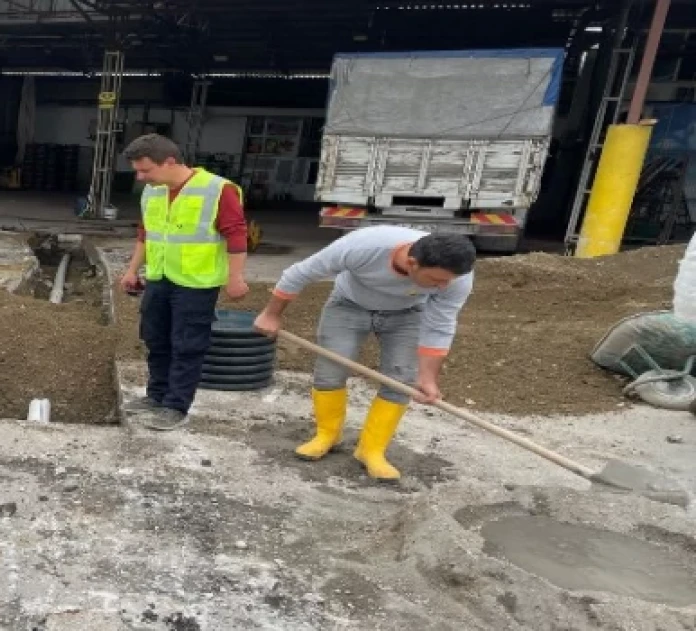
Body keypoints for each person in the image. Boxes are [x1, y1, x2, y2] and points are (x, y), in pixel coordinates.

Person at [253, 226, 476, 480]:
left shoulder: (457, 278)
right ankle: (327, 434)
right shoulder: (364, 246)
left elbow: (440, 325)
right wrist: (271, 314)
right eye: (437, 280)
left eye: (447, 281)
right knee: (330, 372)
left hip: (409, 314)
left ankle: (371, 450)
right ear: (412, 263)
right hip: (349, 305)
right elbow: (299, 274)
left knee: (401, 380)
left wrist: (427, 378)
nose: (444, 286)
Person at [118, 134, 250, 431]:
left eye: (145, 170)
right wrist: (132, 270)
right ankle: (156, 396)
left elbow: (237, 234)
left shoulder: (218, 190)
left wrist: (235, 276)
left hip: (196, 282)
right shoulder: (153, 192)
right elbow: (146, 234)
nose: (140, 177)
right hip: (159, 277)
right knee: (155, 339)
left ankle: (176, 405)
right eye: (137, 171)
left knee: (187, 345)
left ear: (169, 162)